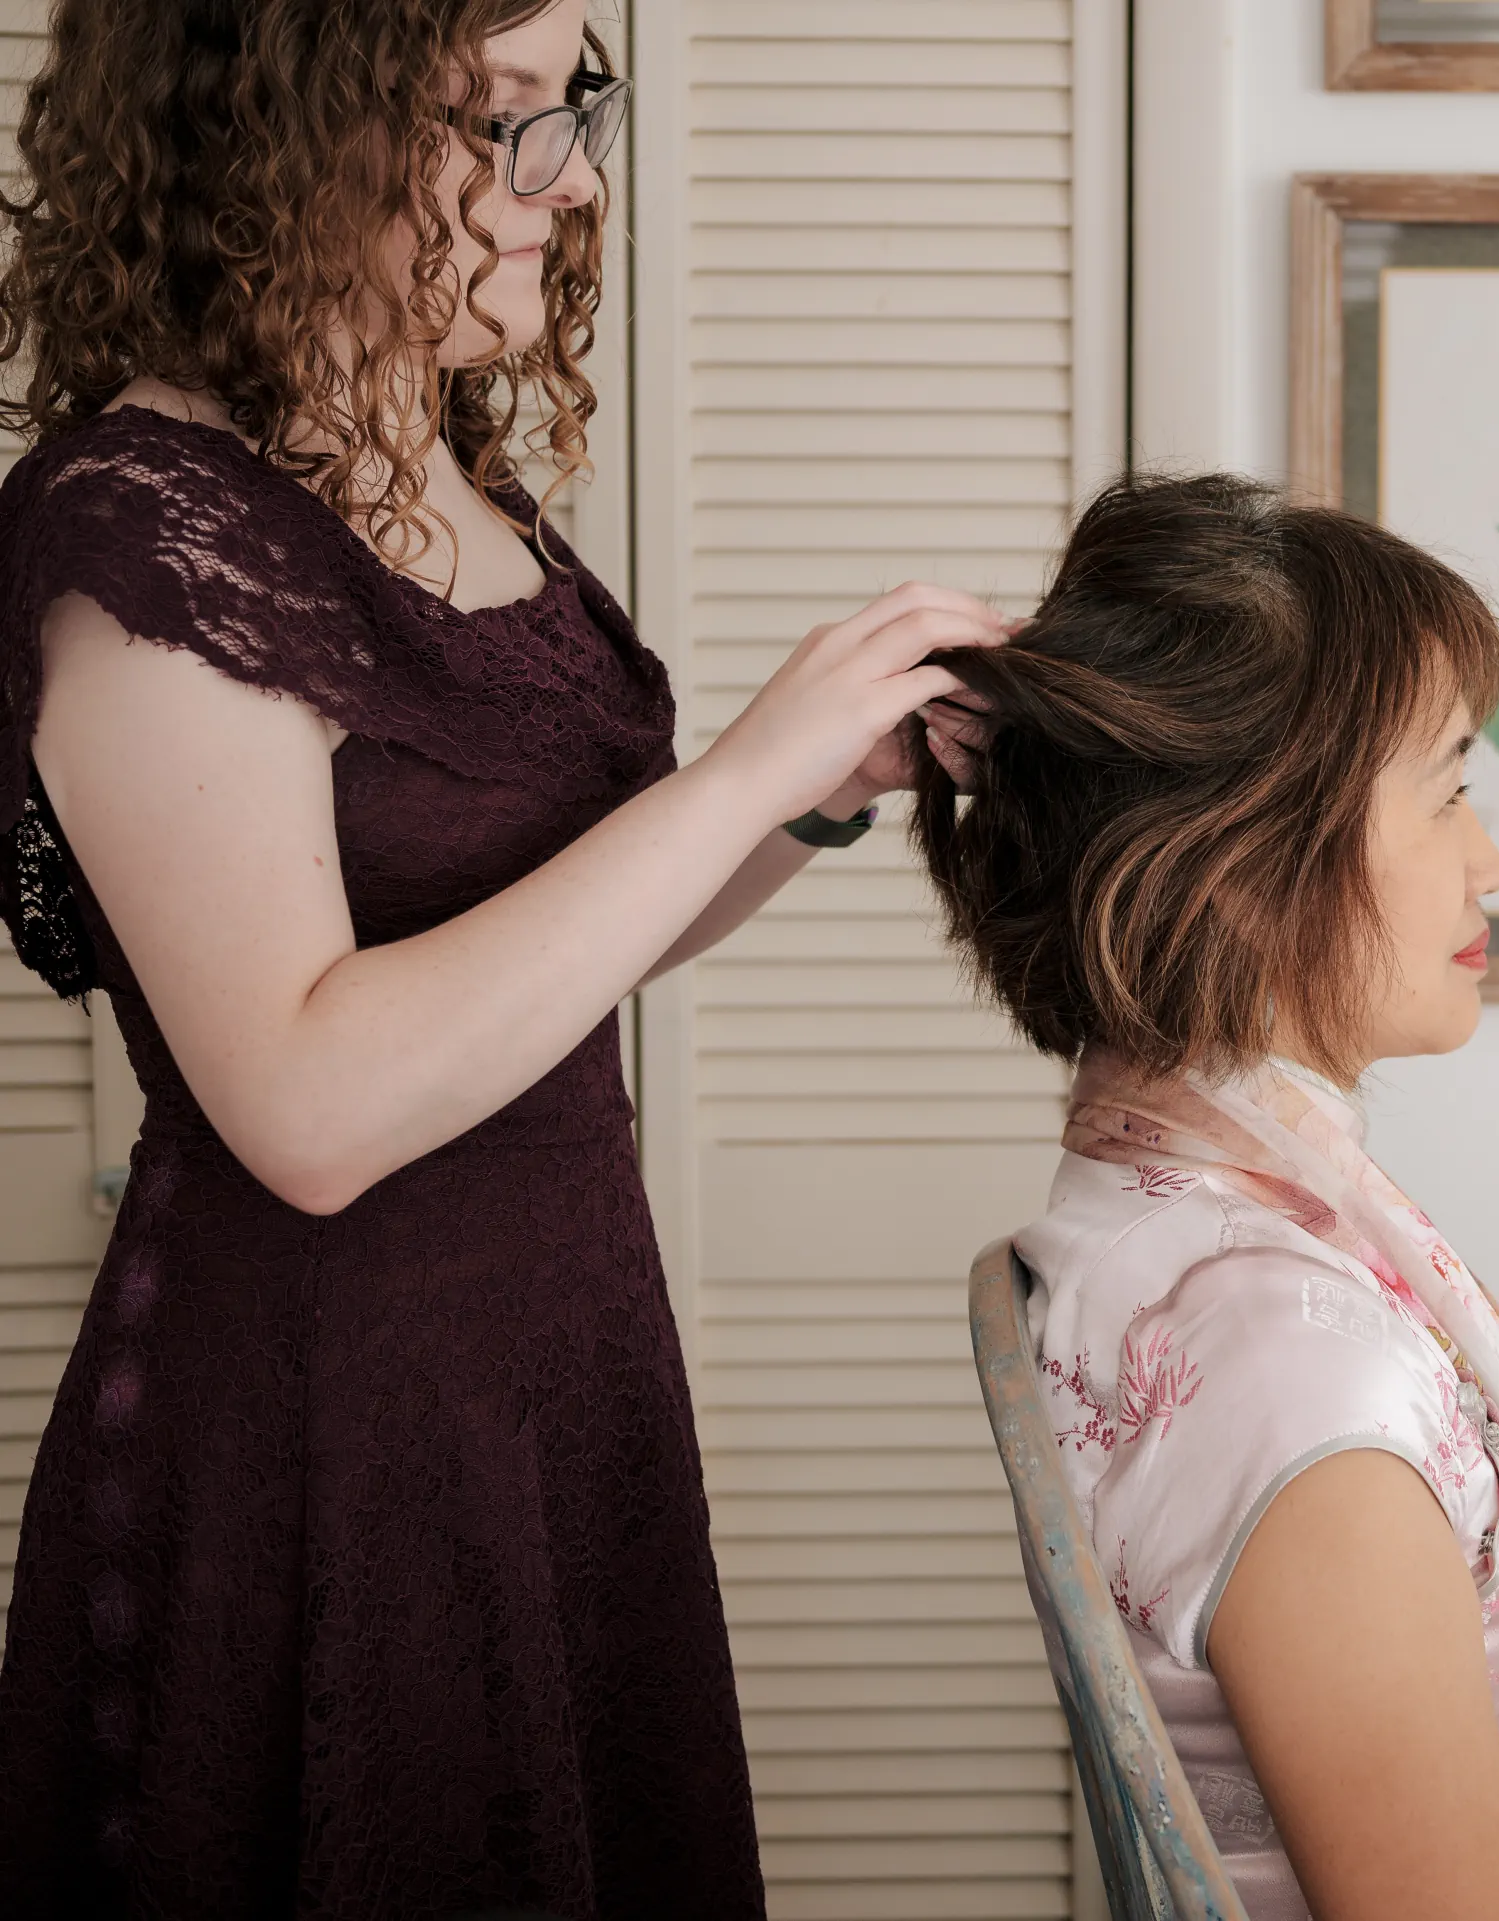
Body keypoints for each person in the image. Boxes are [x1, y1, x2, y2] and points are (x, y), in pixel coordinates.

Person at [0, 2, 998, 1912]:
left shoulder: (448, 471)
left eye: (573, 114)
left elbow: (554, 954)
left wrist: (807, 799)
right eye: (497, 121)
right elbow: (304, 1099)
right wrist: (740, 775)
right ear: (276, 133)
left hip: (556, 1367)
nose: (567, 184)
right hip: (316, 1413)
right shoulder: (141, 528)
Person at [913, 472, 1499, 1921]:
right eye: (1453, 787)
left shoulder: (1150, 1224)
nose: (1491, 858)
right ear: (1239, 865)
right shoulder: (1286, 1363)